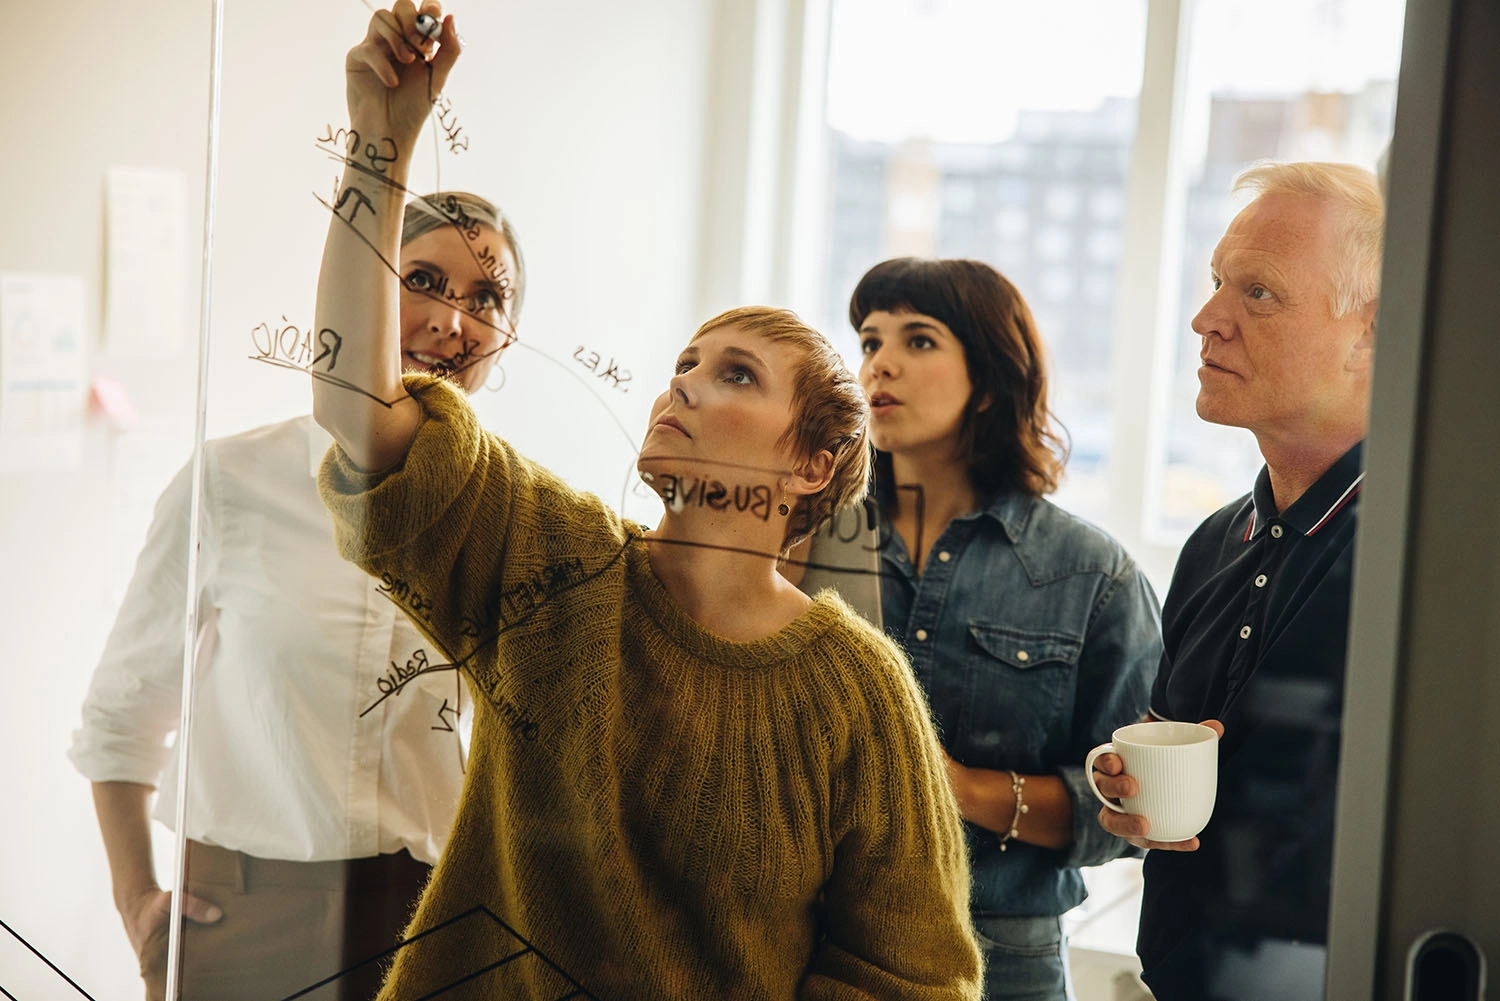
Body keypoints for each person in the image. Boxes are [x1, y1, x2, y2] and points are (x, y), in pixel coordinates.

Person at [307, 3, 982, 999]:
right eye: (683, 364)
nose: (683, 388)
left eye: (738, 375)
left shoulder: (857, 694)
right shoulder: (554, 559)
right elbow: (359, 410)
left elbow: (908, 975)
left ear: (815, 461)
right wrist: (380, 141)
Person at [68, 190, 526, 1001]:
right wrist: (138, 906)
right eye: (422, 278)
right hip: (241, 917)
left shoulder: (518, 520)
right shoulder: (231, 482)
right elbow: (120, 719)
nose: (452, 322)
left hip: (438, 923)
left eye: (486, 296)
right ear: (366, 291)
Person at [1091, 161, 1382, 1000]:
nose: (1205, 318)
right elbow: (1164, 748)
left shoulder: (1420, 563)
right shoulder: (1216, 541)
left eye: (1258, 293)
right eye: (1219, 281)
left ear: (1372, 331)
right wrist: (1124, 786)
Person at [848, 258, 1162, 1001]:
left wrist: (953, 787)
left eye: (918, 340)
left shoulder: (1092, 575)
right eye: (868, 341)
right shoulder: (808, 548)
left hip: (1006, 965)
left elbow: (1130, 812)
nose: (880, 363)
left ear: (989, 380)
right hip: (823, 945)